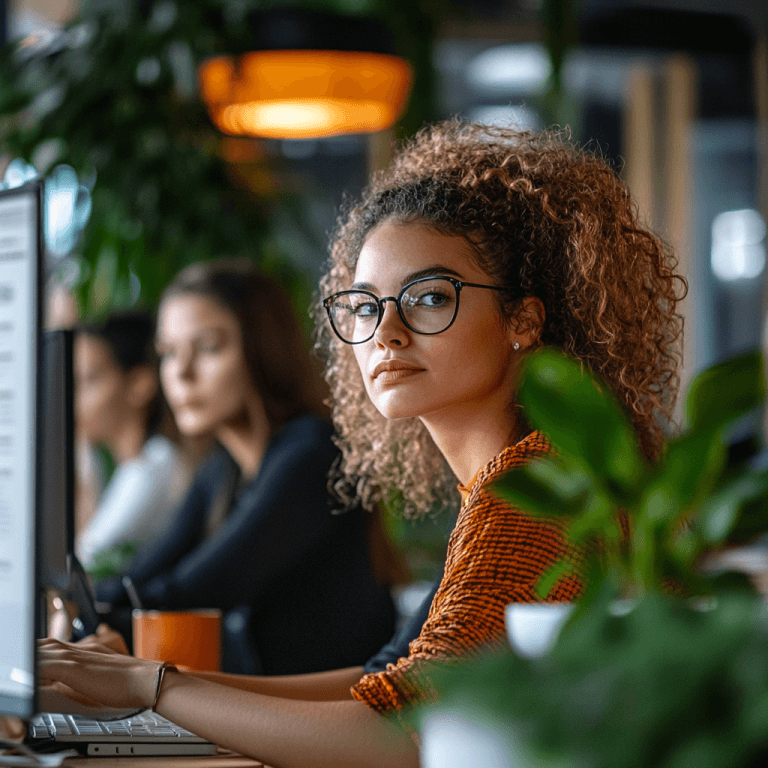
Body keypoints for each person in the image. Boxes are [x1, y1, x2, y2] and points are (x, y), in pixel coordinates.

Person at [38, 120, 685, 767]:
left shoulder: (530, 492)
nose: (388, 333)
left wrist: (150, 687)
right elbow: (388, 685)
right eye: (366, 306)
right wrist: (144, 689)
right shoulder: (516, 476)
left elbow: (402, 735)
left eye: (430, 297)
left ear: (523, 319)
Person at [93, 259, 398, 675]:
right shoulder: (221, 467)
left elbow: (193, 590)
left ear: (261, 349)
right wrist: (82, 605)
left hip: (328, 724)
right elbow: (143, 575)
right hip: (264, 714)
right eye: (168, 353)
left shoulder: (312, 456)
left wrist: (86, 614)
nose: (180, 374)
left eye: (207, 348)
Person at [74, 311, 191, 571]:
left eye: (89, 380)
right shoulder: (129, 467)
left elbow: (86, 560)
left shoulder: (155, 465)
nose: (74, 399)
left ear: (140, 384)